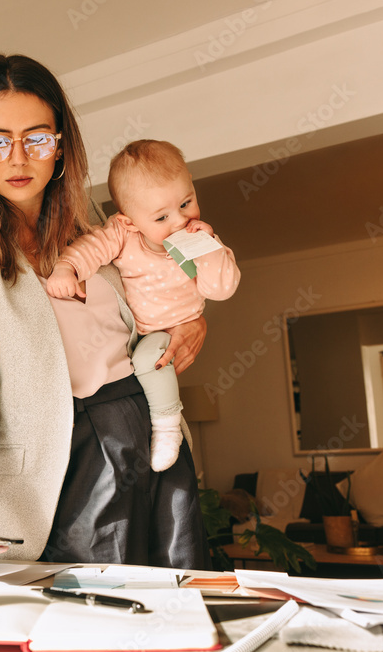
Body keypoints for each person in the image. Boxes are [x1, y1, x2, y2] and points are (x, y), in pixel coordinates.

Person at [0, 54, 210, 568]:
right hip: (65, 464)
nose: (17, 158)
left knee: (180, 604)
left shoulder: (97, 228)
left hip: (150, 431)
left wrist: (193, 322)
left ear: (60, 146)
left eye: (36, 138)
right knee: (93, 623)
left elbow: (158, 293)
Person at [46, 140, 239, 472]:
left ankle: (167, 427)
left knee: (150, 359)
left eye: (186, 202)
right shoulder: (122, 235)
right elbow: (91, 248)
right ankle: (165, 421)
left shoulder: (199, 240)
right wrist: (68, 268)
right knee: (143, 361)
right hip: (137, 331)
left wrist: (209, 250)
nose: (179, 220)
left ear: (192, 184)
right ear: (130, 221)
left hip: (172, 328)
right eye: (161, 216)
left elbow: (221, 289)